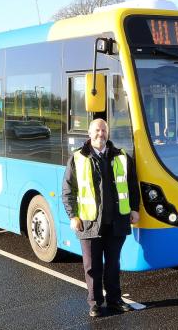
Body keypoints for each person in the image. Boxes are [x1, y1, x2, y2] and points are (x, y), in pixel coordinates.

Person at [63, 118, 140, 317]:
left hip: (116, 222)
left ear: (108, 133)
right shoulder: (78, 158)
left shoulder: (122, 156)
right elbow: (68, 190)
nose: (101, 134)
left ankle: (114, 300)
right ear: (89, 133)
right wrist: (73, 216)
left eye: (104, 130)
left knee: (113, 265)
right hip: (89, 223)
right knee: (92, 267)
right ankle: (95, 303)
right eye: (97, 130)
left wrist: (134, 208)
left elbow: (132, 185)